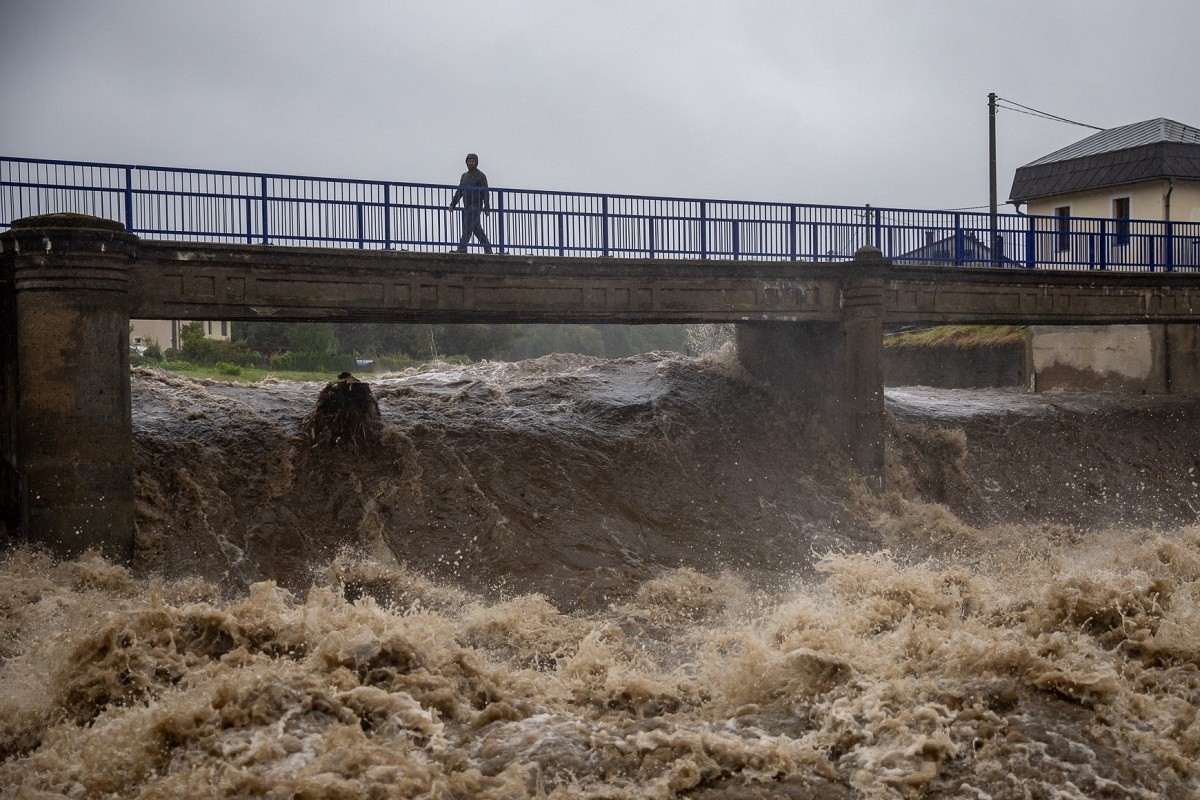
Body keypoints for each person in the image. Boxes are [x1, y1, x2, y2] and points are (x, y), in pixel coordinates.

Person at [446, 153, 492, 253]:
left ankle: (462, 248)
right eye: (469, 161)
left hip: (476, 205)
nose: (470, 163)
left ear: (476, 162)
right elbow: (460, 191)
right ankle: (488, 249)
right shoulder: (464, 176)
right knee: (475, 228)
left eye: (472, 161)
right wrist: (453, 204)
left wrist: (487, 207)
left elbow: (485, 193)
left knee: (468, 225)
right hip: (467, 205)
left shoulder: (480, 176)